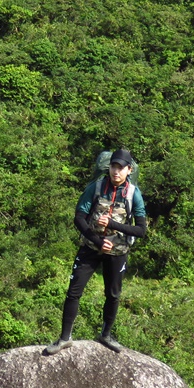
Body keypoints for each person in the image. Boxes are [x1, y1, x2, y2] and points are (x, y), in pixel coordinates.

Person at [45, 149, 147, 355]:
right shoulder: (97, 187)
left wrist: (112, 224)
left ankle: (106, 335)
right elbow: (79, 217)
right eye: (113, 166)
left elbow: (141, 230)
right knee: (74, 291)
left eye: (120, 168)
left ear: (129, 170)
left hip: (117, 252)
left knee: (113, 294)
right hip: (91, 247)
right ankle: (65, 338)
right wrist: (97, 241)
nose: (116, 171)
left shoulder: (133, 194)